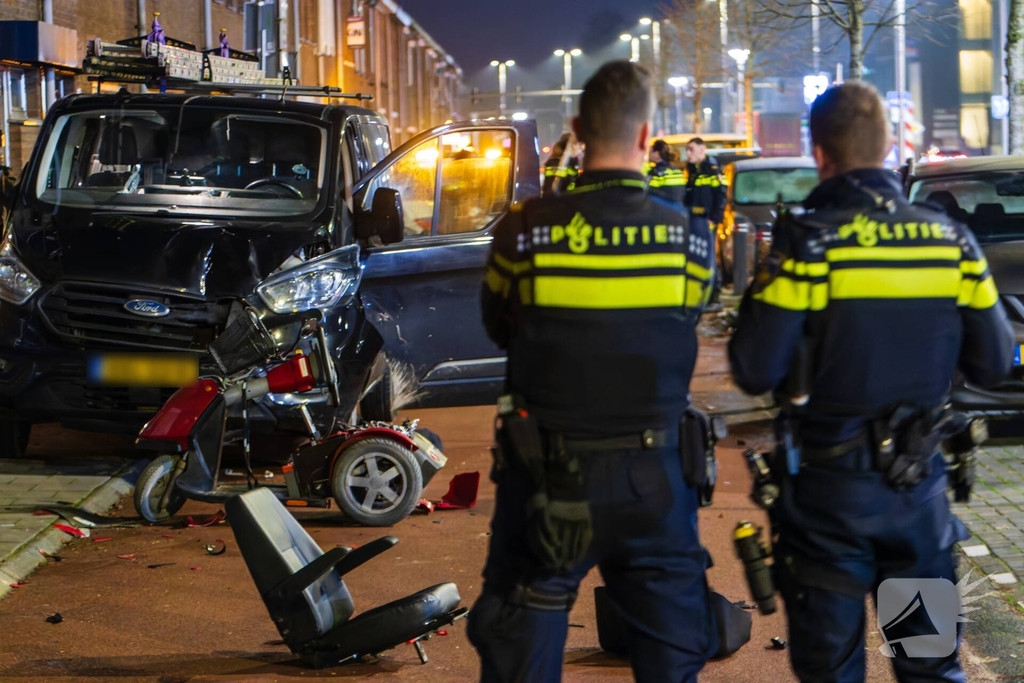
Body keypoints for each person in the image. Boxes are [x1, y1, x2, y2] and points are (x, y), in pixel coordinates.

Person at [728, 81, 1014, 683]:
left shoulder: (808, 245)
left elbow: (754, 368)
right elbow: (994, 364)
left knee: (831, 670)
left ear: (819, 150)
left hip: (829, 502)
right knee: (929, 664)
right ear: (889, 145)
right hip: (917, 498)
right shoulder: (951, 242)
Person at [469, 60, 718, 682]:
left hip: (548, 476)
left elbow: (499, 327)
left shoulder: (523, 233)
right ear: (646, 136)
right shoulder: (688, 241)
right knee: (674, 651)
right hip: (655, 478)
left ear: (577, 131)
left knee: (519, 645)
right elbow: (685, 320)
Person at [684, 137, 726, 309]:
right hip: (694, 220)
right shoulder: (692, 169)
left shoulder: (712, 168)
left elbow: (721, 195)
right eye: (687, 149)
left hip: (707, 220)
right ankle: (701, 295)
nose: (688, 153)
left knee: (709, 258)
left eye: (691, 149)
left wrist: (714, 217)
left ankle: (714, 298)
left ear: (702, 150)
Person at [646, 138, 686, 205]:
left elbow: (650, 193)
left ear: (657, 153)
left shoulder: (656, 173)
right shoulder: (677, 171)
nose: (649, 155)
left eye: (651, 152)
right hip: (677, 210)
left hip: (661, 210)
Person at [541, 132, 580, 196]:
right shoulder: (570, 163)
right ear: (573, 146)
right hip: (564, 201)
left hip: (549, 201)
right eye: (578, 145)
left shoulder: (551, 161)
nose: (579, 149)